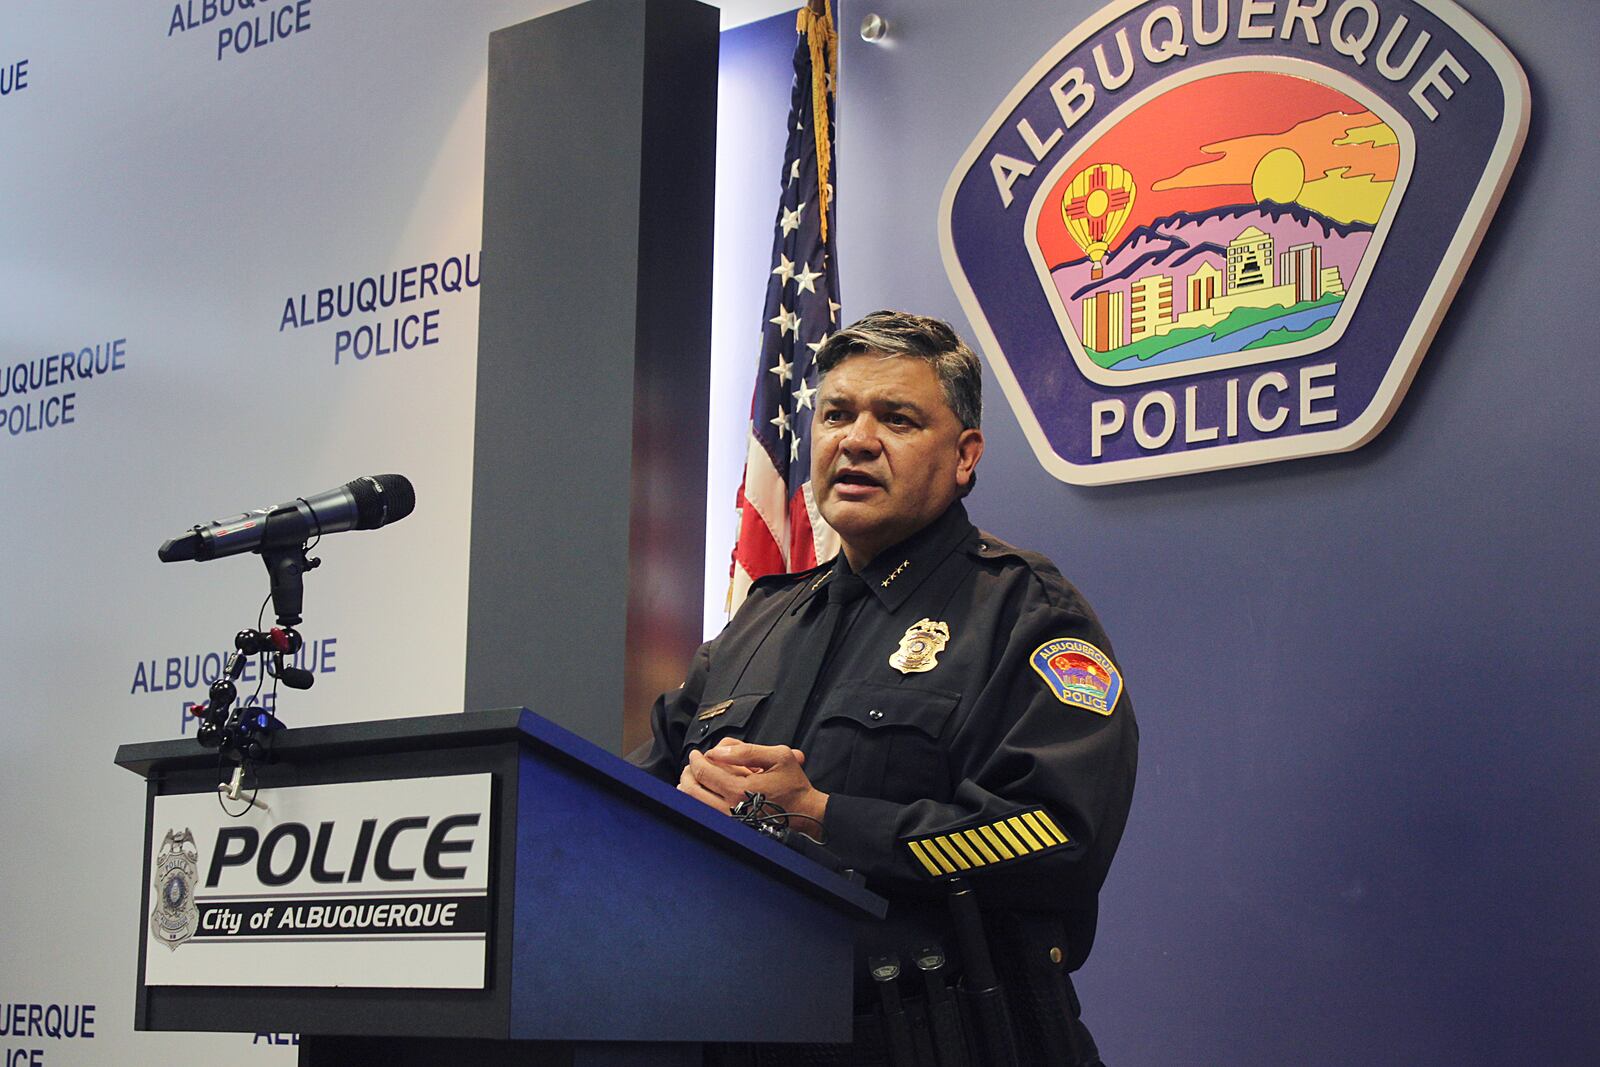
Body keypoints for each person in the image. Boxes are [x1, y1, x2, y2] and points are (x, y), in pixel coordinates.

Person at [631, 310, 1137, 1066]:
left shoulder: (1022, 611)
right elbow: (627, 795)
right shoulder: (759, 621)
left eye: (896, 418)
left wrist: (824, 818)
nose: (856, 439)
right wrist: (682, 797)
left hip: (944, 1040)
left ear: (965, 456)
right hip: (734, 1029)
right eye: (836, 413)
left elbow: (1056, 833)